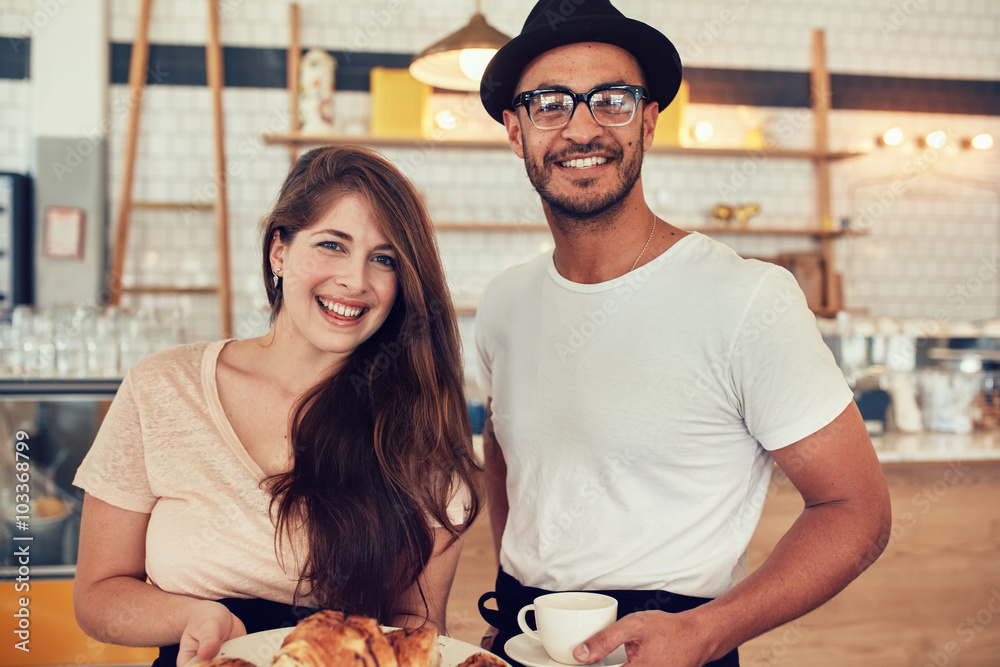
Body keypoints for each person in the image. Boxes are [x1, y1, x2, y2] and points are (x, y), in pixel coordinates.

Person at [473, 1, 891, 665]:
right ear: (515, 130)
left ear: (648, 120)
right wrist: (511, 595)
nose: (581, 127)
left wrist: (709, 630)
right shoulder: (503, 303)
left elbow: (856, 510)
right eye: (549, 103)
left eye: (610, 99)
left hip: (680, 646)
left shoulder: (747, 297)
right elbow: (503, 444)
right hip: (527, 639)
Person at [73, 146, 481, 667]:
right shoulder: (162, 388)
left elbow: (415, 634)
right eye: (333, 245)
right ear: (279, 251)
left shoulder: (417, 428)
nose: (355, 280)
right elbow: (97, 594)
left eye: (383, 259)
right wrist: (194, 617)